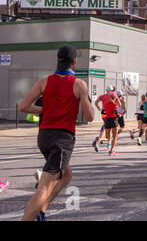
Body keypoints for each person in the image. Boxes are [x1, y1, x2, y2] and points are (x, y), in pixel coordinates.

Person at [18, 45, 94, 220]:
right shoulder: (79, 84)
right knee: (44, 187)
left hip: (44, 137)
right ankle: (33, 212)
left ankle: (41, 209)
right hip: (62, 139)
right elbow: (89, 117)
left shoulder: (44, 81)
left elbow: (23, 107)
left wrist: (44, 110)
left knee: (67, 174)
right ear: (74, 62)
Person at [94, 85, 121, 155]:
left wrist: (98, 108)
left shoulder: (102, 96)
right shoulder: (114, 97)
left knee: (106, 128)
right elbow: (119, 105)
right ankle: (111, 149)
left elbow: (96, 102)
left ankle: (100, 140)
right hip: (113, 117)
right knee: (115, 135)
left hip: (105, 113)